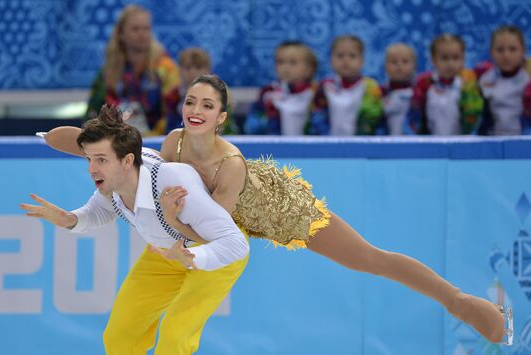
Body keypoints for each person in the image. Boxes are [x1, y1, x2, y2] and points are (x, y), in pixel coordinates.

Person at [43, 75, 512, 345]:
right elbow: (155, 195)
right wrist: (61, 139)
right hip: (199, 229)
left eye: (207, 104)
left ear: (223, 116)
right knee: (138, 324)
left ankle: (459, 302)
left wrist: (171, 214)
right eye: (190, 101)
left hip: (276, 208)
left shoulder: (230, 164)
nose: (195, 109)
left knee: (370, 258)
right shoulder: (173, 142)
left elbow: (216, 234)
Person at [22, 105, 249, 355]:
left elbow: (235, 244)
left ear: (128, 160)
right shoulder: (115, 183)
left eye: (101, 160)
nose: (91, 169)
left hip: (215, 250)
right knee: (120, 338)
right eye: (89, 159)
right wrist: (69, 219)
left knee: (175, 337)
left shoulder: (173, 184)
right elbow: (99, 210)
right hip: (166, 251)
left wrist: (195, 256)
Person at [85, 4, 180, 136]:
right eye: (135, 29)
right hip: (118, 141)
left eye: (146, 28)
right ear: (121, 34)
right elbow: (92, 114)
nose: (142, 34)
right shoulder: (108, 72)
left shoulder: (166, 68)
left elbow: (175, 112)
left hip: (160, 140)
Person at [406, 33, 483, 135]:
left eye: (455, 58)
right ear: (434, 60)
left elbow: (473, 118)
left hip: (461, 144)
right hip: (431, 144)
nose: (450, 63)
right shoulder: (424, 84)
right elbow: (415, 117)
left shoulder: (468, 86)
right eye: (444, 58)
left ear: (463, 59)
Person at [308, 35, 382, 136]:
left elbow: (374, 117)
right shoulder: (325, 85)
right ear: (331, 60)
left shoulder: (370, 87)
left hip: (361, 144)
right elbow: (318, 114)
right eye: (340, 56)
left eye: (352, 56)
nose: (345, 61)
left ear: (362, 61)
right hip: (330, 144)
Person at [244, 40, 318, 135]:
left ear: (309, 68)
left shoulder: (318, 92)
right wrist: (264, 121)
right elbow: (253, 124)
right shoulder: (269, 92)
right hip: (276, 146)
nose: (285, 67)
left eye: (293, 62)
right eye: (280, 62)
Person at [164, 47, 238, 134]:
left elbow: (227, 124)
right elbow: (170, 126)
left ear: (208, 70)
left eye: (198, 67)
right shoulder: (172, 95)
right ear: (180, 70)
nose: (193, 72)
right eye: (188, 68)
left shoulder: (221, 93)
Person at [475, 25, 531, 135]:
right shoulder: (483, 78)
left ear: (523, 51)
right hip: (492, 144)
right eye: (500, 50)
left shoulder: (528, 79)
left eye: (513, 49)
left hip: (524, 143)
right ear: (491, 52)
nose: (506, 55)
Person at [381, 43, 416, 135]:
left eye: (405, 61)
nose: (399, 65)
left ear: (414, 66)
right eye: (394, 62)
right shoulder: (380, 92)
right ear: (385, 66)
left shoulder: (419, 92)